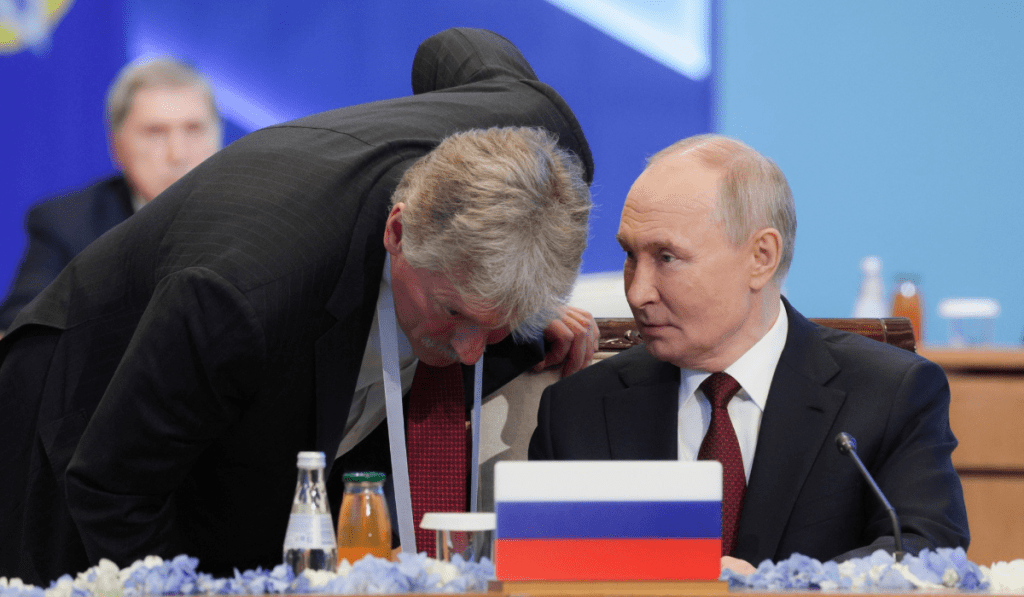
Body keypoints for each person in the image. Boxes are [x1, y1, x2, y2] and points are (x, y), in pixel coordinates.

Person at [0, 28, 597, 585]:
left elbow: (455, 47)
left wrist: (511, 310)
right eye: (455, 313)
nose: (469, 352)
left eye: (493, 326)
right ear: (398, 232)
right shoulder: (242, 292)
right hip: (76, 425)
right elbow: (114, 486)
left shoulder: (539, 147)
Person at [529, 134, 969, 573]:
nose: (638, 291)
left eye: (666, 257)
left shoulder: (889, 395)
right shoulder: (578, 410)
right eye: (630, 255)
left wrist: (777, 587)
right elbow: (544, 571)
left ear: (761, 257)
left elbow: (923, 551)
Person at [0, 57, 222, 333]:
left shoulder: (256, 219)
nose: (177, 153)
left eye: (194, 129)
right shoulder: (67, 224)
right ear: (116, 144)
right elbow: (18, 334)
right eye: (155, 132)